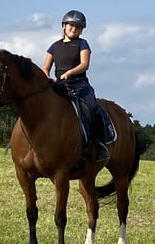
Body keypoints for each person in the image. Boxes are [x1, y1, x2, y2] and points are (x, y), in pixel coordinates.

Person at [42, 10, 109, 161]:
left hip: (79, 85)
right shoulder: (54, 46)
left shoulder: (82, 44)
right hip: (59, 85)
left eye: (78, 27)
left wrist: (70, 72)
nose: (74, 28)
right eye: (71, 25)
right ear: (63, 26)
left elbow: (85, 64)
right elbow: (45, 67)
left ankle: (97, 145)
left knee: (93, 108)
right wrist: (45, 75)